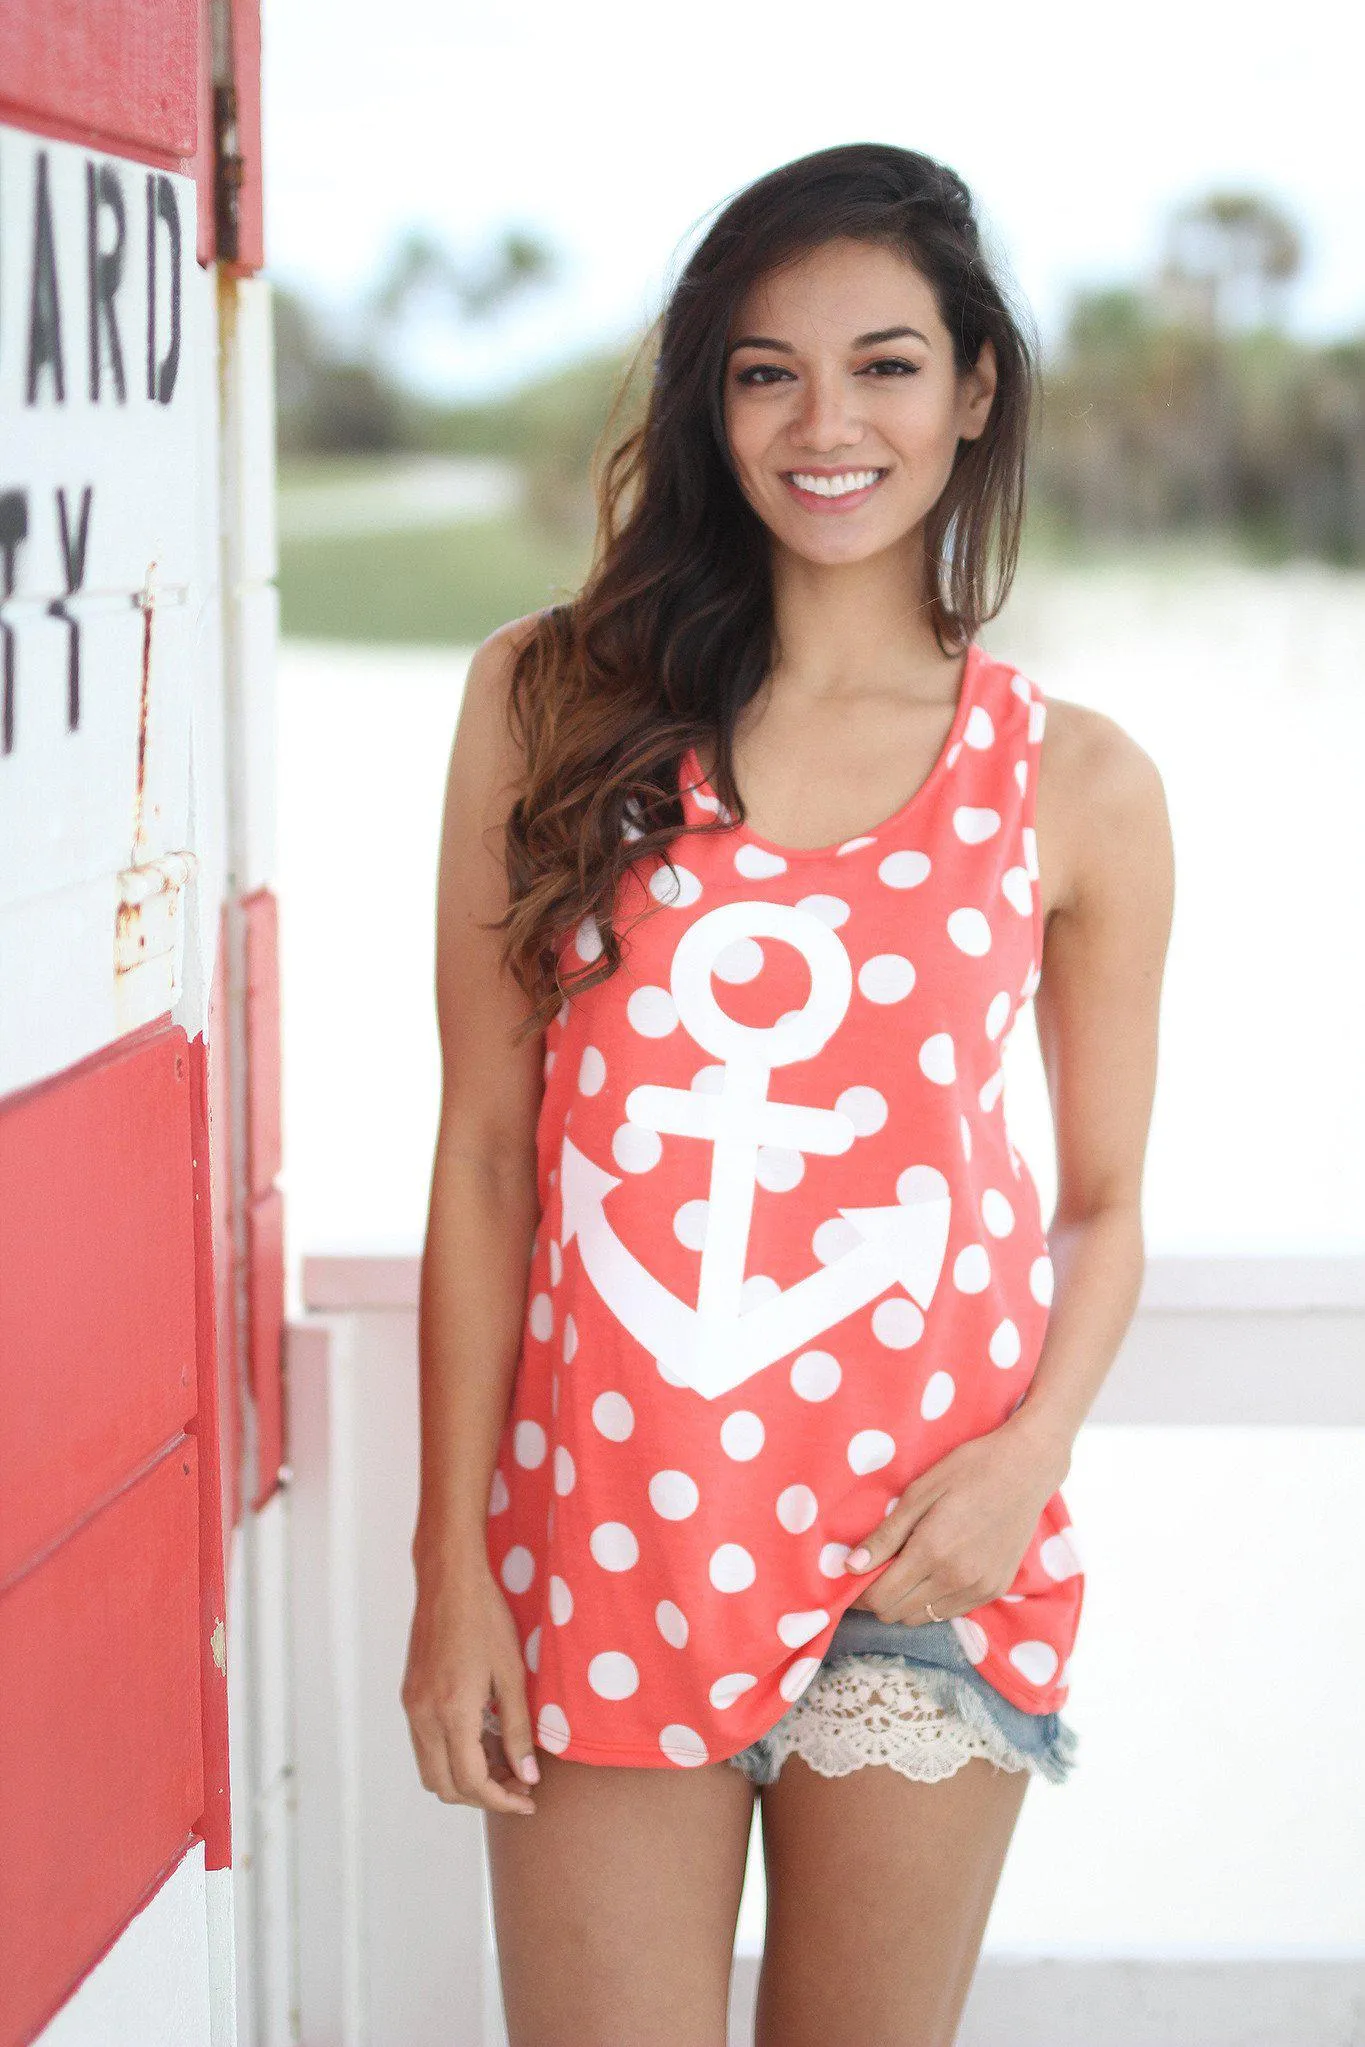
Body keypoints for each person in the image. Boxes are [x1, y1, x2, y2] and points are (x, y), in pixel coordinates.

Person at [402, 142, 1174, 2047]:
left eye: (887, 364)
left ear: (976, 388)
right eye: (766, 370)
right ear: (710, 401)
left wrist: (1029, 1457)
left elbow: (1102, 1201)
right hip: (603, 1539)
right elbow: (493, 1157)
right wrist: (452, 1567)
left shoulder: (1073, 784)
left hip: (929, 1551)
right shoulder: (550, 701)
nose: (827, 422)